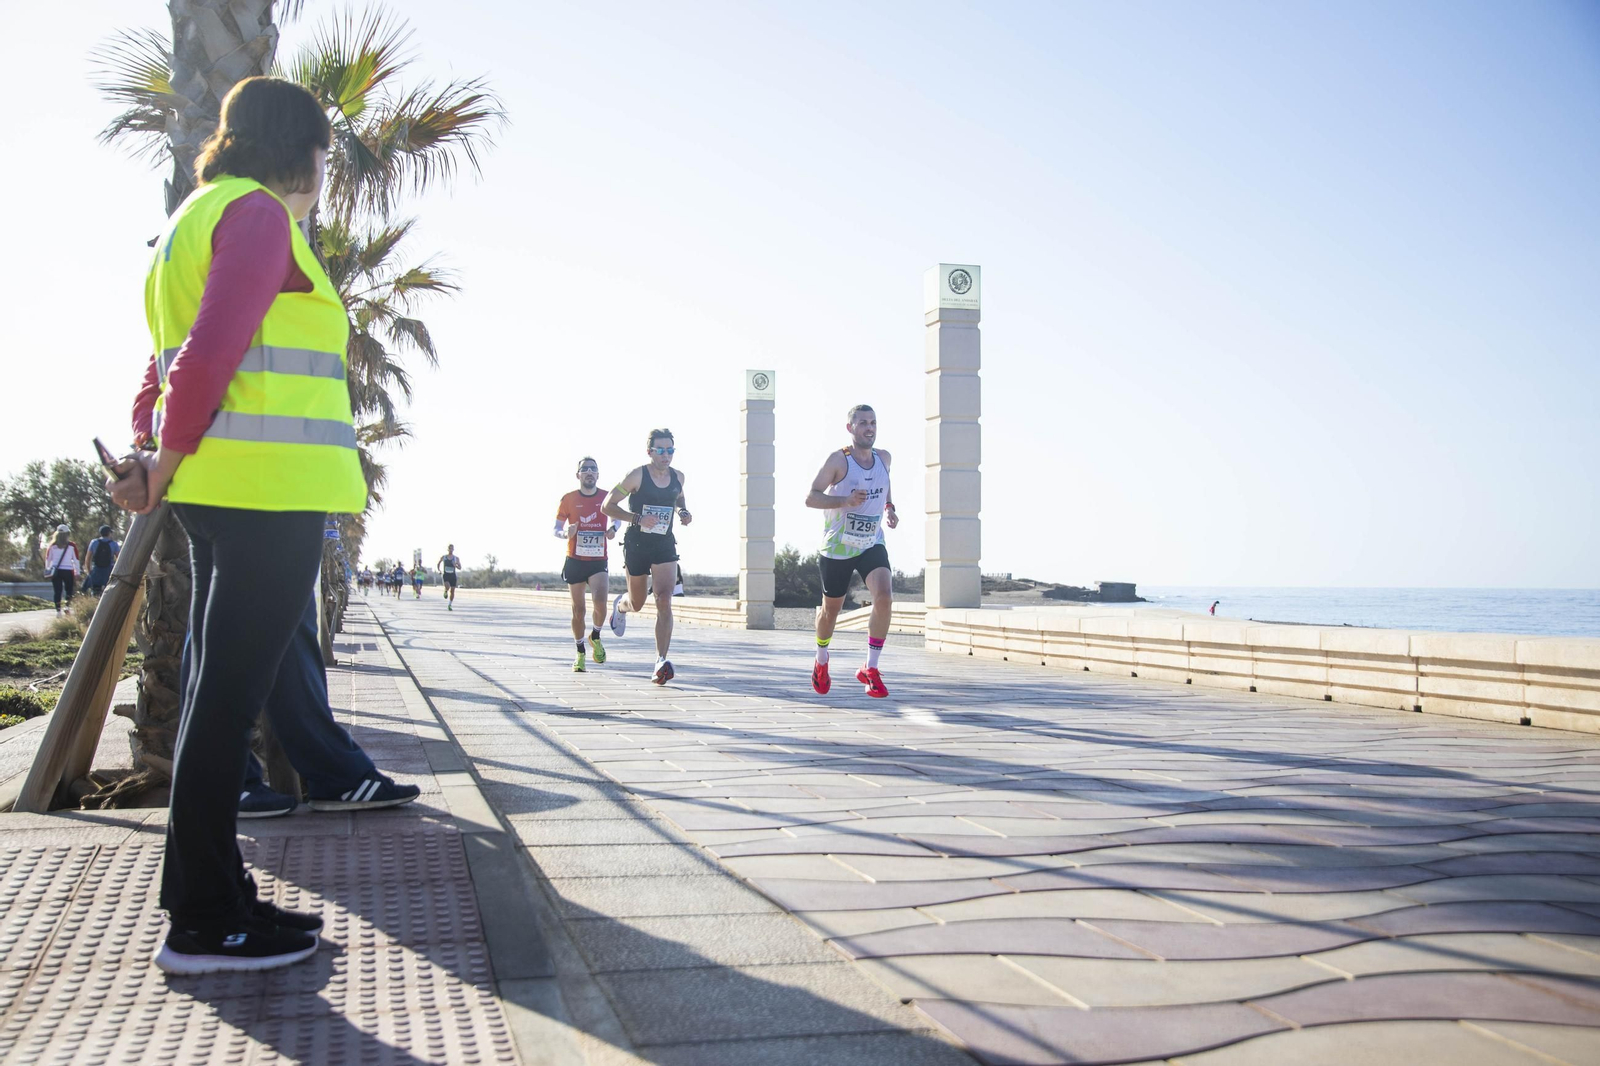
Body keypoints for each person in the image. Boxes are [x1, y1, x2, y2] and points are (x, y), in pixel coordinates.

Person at [109, 76, 367, 975]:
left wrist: (151, 457)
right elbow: (211, 351)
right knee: (224, 705)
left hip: (223, 490)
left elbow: (166, 361)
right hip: (266, 492)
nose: (328, 171)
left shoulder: (193, 217)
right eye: (326, 155)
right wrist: (162, 461)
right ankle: (203, 921)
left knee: (216, 701)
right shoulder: (259, 216)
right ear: (303, 151)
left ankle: (218, 896)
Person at [806, 404, 898, 698]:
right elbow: (811, 498)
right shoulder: (838, 460)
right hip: (838, 546)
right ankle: (821, 659)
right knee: (830, 612)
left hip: (871, 542)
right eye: (862, 423)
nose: (869, 428)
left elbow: (885, 485)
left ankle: (870, 668)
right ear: (850, 428)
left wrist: (889, 507)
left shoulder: (884, 458)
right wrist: (845, 501)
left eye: (872, 422)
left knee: (884, 597)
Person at [604, 429, 692, 685]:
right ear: (650, 452)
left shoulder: (678, 477)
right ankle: (621, 605)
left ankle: (660, 661)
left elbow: (679, 496)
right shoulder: (636, 475)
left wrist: (683, 512)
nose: (666, 456)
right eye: (661, 450)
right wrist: (637, 518)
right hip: (637, 544)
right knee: (638, 603)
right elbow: (607, 505)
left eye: (670, 450)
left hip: (664, 544)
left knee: (664, 599)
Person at [555, 457, 619, 672]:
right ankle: (580, 652)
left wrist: (613, 530)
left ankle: (596, 636)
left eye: (593, 469)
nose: (589, 472)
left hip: (598, 559)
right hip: (575, 559)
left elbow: (616, 518)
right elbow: (555, 528)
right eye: (585, 469)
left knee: (600, 604)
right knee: (578, 610)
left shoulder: (606, 497)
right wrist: (566, 533)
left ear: (598, 475)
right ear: (578, 475)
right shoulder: (568, 499)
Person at [43, 525, 81, 613]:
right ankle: (67, 607)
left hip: (56, 571)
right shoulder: (72, 545)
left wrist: (48, 570)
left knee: (57, 591)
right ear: (68, 534)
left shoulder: (52, 545)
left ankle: (58, 611)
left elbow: (48, 559)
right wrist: (77, 572)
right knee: (69, 590)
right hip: (68, 571)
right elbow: (76, 560)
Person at [84, 525, 121, 596]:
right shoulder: (114, 544)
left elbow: (88, 558)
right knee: (108, 592)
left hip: (96, 570)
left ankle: (94, 604)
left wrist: (89, 571)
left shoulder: (94, 542)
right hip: (109, 570)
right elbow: (119, 558)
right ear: (109, 533)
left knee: (95, 591)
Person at [436, 545, 461, 610]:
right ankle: (445, 591)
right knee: (447, 587)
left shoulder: (456, 558)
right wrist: (439, 570)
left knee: (452, 591)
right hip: (446, 574)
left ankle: (450, 604)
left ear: (453, 549)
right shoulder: (444, 557)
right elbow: (438, 563)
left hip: (453, 575)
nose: (451, 550)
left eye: (452, 549)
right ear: (448, 549)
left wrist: (455, 565)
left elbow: (460, 567)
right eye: (449, 548)